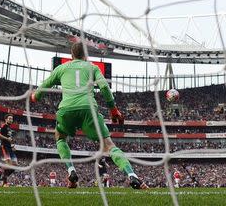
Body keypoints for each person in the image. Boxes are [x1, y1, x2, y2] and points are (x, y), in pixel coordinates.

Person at [31, 42, 147, 189]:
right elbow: (104, 86)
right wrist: (113, 109)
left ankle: (71, 172)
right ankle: (132, 175)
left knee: (60, 137)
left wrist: (35, 96)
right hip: (89, 109)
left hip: (66, 109)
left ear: (71, 55)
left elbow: (43, 87)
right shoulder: (92, 67)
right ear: (86, 55)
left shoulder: (61, 68)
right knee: (109, 146)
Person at [0, 114, 17, 187]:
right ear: (6, 119)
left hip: (10, 148)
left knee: (15, 165)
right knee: (9, 165)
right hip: (4, 147)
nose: (11, 120)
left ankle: (3, 176)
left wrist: (12, 146)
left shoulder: (9, 129)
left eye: (12, 119)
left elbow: (9, 140)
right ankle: (4, 182)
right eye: (9, 118)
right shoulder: (3, 126)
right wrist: (7, 139)